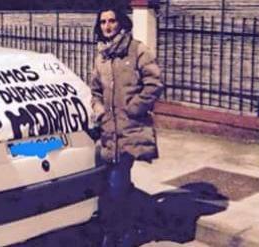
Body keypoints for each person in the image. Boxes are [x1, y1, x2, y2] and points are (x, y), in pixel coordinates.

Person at [89, 7, 163, 247]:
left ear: (121, 23)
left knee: (116, 184)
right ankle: (127, 228)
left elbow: (154, 83)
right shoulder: (101, 56)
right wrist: (99, 112)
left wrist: (134, 108)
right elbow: (95, 91)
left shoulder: (138, 50)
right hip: (109, 132)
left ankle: (118, 235)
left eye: (112, 21)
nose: (108, 26)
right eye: (103, 22)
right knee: (114, 184)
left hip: (130, 130)